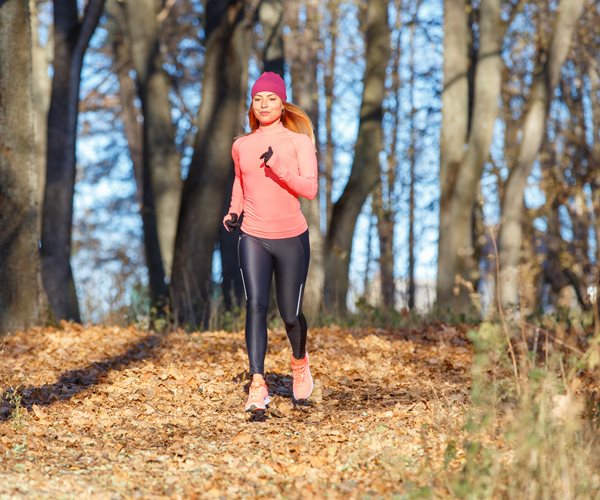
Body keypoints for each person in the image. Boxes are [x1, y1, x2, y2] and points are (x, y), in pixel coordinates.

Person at [223, 72, 318, 413]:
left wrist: (277, 165)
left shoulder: (298, 143)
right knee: (256, 307)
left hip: (291, 237)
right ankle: (258, 383)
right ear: (252, 103)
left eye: (271, 99)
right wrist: (234, 212)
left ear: (282, 103)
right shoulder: (241, 145)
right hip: (253, 237)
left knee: (290, 314)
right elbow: (241, 181)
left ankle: (299, 362)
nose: (264, 105)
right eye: (258, 99)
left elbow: (309, 189)